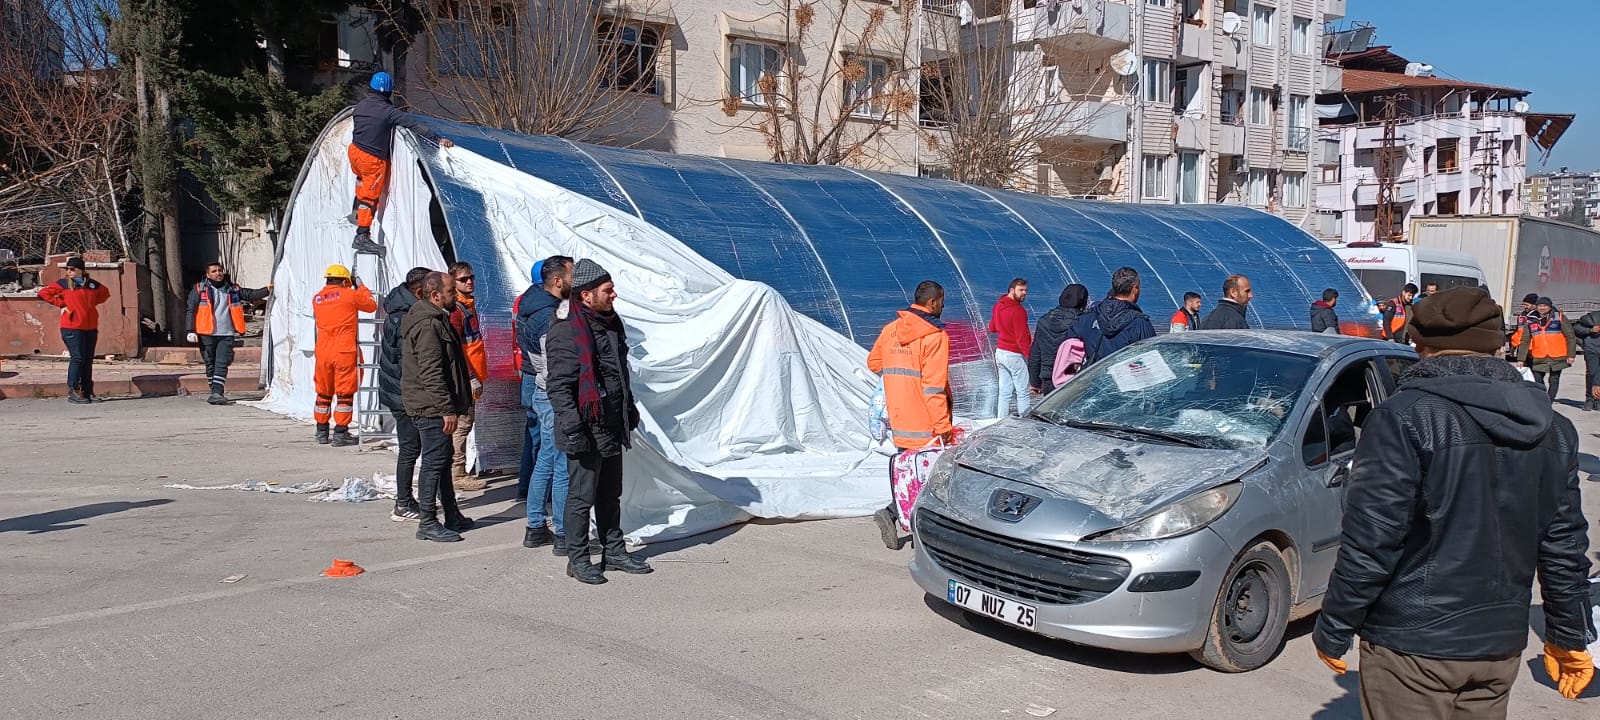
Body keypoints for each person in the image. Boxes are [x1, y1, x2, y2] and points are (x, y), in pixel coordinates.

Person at [1313, 286, 1595, 718]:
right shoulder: (1554, 428)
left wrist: (1334, 624)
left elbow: (1372, 540)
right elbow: (1564, 547)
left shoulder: (1402, 417)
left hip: (1412, 644)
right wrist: (1569, 634)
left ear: (1420, 346)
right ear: (1498, 345)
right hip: (1498, 648)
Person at [546, 259, 652, 584]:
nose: (614, 295)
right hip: (584, 427)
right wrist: (574, 427)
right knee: (581, 498)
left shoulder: (610, 323)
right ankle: (577, 559)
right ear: (587, 295)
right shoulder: (567, 330)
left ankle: (614, 551)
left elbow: (619, 373)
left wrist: (628, 408)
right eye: (608, 290)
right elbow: (559, 387)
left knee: (610, 494)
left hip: (610, 423)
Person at [867, 280, 953, 549]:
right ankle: (908, 525)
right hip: (926, 423)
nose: (943, 305)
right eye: (942, 300)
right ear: (933, 302)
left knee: (912, 475)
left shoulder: (891, 329)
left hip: (900, 418)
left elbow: (874, 363)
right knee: (930, 481)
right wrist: (943, 426)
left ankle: (895, 516)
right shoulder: (935, 337)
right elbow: (933, 387)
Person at [400, 272, 476, 542]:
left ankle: (452, 514)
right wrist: (446, 408)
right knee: (434, 463)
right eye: (451, 292)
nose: (455, 296)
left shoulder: (435, 319)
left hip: (434, 404)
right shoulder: (428, 325)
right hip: (430, 407)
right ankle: (428, 521)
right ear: (435, 295)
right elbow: (431, 372)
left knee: (442, 461)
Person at [348, 71, 453, 255]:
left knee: (361, 183)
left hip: (355, 152)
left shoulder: (361, 106)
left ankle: (356, 212)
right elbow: (414, 125)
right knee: (370, 197)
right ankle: (362, 234)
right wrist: (437, 139)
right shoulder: (388, 112)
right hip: (373, 159)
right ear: (389, 92)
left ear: (371, 88)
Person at [515, 255, 575, 553]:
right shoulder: (547, 315)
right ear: (557, 280)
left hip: (541, 389)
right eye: (572, 275)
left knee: (547, 459)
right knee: (562, 464)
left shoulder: (531, 304)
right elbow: (551, 362)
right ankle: (564, 534)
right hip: (552, 393)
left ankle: (536, 526)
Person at [379, 266, 434, 523]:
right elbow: (408, 362)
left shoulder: (402, 310)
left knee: (413, 447)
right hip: (404, 394)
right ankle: (403, 502)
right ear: (419, 290)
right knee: (410, 448)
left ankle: (409, 499)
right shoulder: (405, 317)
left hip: (401, 391)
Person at [184, 262, 271, 405]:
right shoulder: (199, 289)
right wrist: (190, 330)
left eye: (220, 270)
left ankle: (218, 391)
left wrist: (267, 289)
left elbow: (251, 294)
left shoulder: (232, 289)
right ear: (207, 274)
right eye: (214, 271)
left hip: (226, 333)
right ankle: (214, 390)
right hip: (206, 333)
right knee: (210, 363)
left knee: (222, 363)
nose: (218, 273)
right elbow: (191, 309)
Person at [311, 264, 378, 446]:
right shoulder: (349, 294)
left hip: (323, 350)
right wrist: (361, 287)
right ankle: (340, 433)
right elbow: (371, 305)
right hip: (344, 350)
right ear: (344, 281)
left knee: (323, 392)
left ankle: (321, 431)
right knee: (344, 393)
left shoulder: (317, 298)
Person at [37, 256, 111, 403]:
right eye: (67, 269)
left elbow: (105, 293)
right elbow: (43, 294)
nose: (69, 272)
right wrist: (61, 304)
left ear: (81, 270)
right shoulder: (64, 284)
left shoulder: (91, 285)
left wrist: (90, 304)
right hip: (71, 327)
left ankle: (87, 392)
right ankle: (73, 390)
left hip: (90, 327)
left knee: (87, 360)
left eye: (72, 269)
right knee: (78, 358)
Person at [445, 261, 489, 492]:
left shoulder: (468, 306)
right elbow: (458, 349)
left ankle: (457, 471)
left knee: (465, 423)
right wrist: (470, 376)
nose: (469, 282)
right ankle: (457, 473)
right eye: (463, 279)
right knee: (462, 425)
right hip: (464, 376)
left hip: (472, 373)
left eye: (471, 277)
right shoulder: (457, 311)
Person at [1069, 267, 1155, 366]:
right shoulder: (1140, 323)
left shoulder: (1089, 317)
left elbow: (1069, 346)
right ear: (1135, 289)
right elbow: (1151, 360)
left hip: (1094, 378)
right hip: (1123, 379)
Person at [1027, 283, 1088, 395]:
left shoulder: (1044, 321)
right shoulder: (1082, 322)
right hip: (1071, 376)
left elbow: (1035, 355)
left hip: (1048, 378)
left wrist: (1035, 382)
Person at [1517, 297, 1577, 401]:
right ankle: (1542, 398)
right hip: (1538, 356)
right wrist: (1521, 359)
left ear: (1550, 307)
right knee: (1537, 380)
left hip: (1557, 356)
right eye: (1540, 305)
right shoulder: (1530, 320)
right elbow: (1525, 340)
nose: (1542, 308)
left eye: (1545, 306)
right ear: (1536, 307)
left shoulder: (1559, 317)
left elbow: (1570, 336)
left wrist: (1571, 355)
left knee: (1554, 380)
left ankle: (1549, 401)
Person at [988, 278, 1032, 417]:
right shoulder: (1018, 311)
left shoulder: (998, 306)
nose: (1024, 293)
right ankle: (1025, 420)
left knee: (1004, 391)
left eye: (1025, 290)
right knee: (1023, 391)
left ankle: (1000, 420)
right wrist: (1030, 357)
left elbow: (992, 327)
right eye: (1021, 290)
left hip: (1000, 352)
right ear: (1012, 290)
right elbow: (1022, 338)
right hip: (1014, 354)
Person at [1572, 308, 1600, 411]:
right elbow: (1576, 328)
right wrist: (1591, 330)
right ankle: (1589, 398)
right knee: (1592, 373)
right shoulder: (1593, 317)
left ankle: (1598, 399)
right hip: (1592, 349)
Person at [1508, 292, 1541, 358]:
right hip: (1522, 348)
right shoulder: (1522, 315)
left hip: (1534, 350)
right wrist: (1513, 344)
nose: (1524, 307)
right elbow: (1518, 331)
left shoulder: (1539, 316)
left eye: (1526, 305)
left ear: (1534, 305)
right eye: (1524, 305)